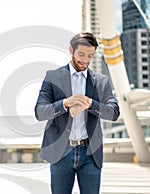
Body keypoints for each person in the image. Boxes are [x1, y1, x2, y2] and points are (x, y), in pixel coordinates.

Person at [35, 32, 120, 194]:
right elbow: (40, 112)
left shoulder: (101, 81)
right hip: (61, 152)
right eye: (81, 54)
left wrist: (89, 103)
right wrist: (66, 103)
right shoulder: (53, 77)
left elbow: (113, 113)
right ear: (71, 50)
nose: (86, 60)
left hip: (90, 153)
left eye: (90, 55)